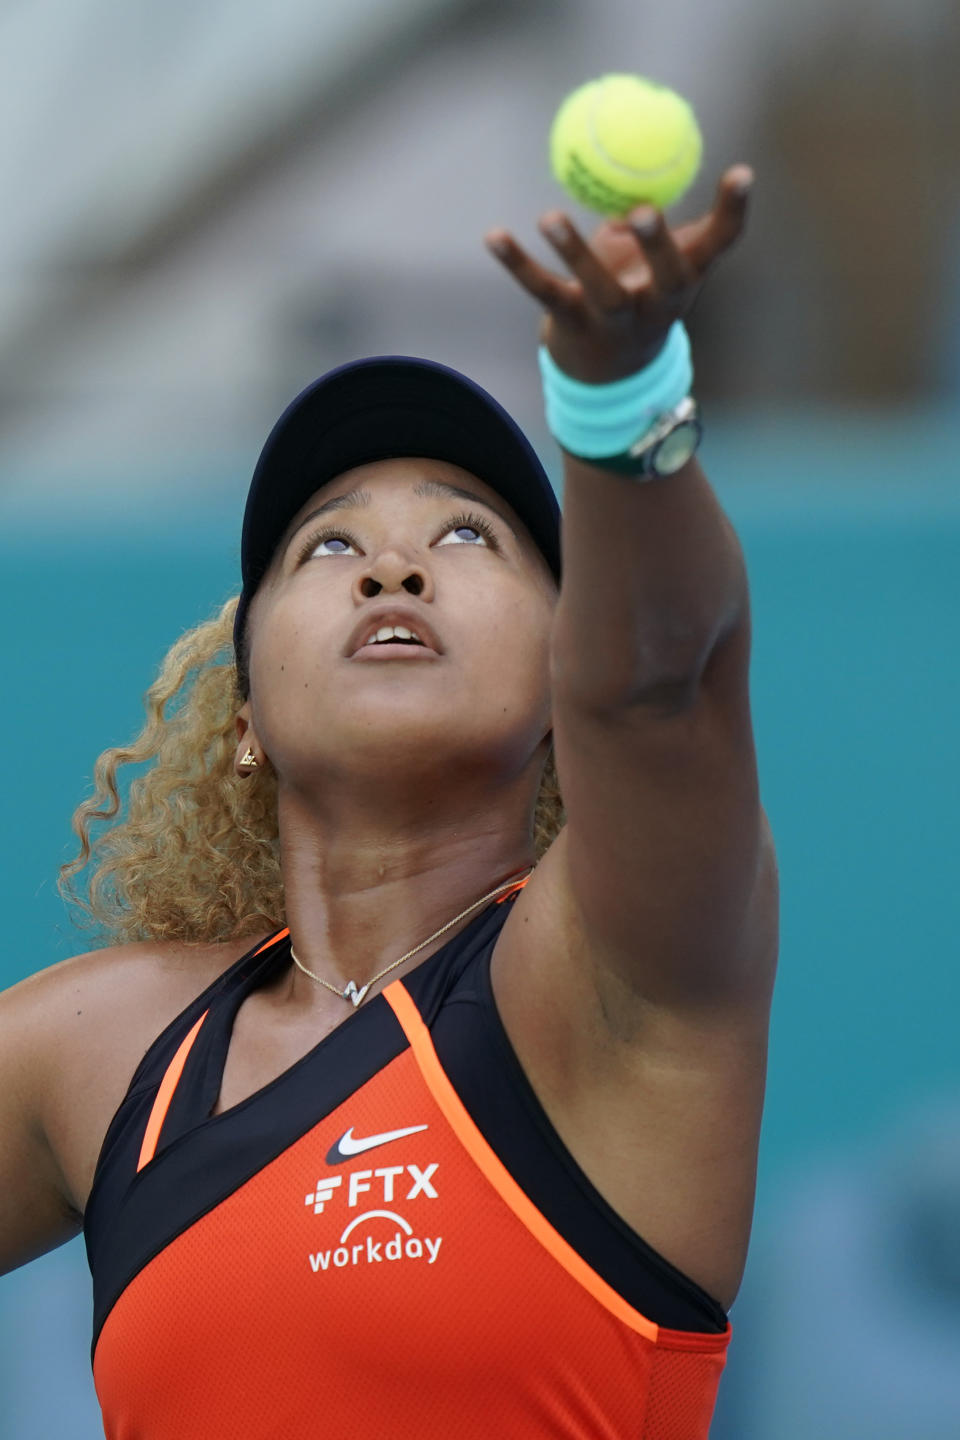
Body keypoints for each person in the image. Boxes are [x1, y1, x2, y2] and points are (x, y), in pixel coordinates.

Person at [0, 163, 778, 1438]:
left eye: (468, 535)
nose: (394, 569)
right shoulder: (109, 1054)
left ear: (561, 673)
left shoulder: (614, 983)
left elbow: (664, 687)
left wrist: (621, 397)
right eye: (330, 548)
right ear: (246, 712)